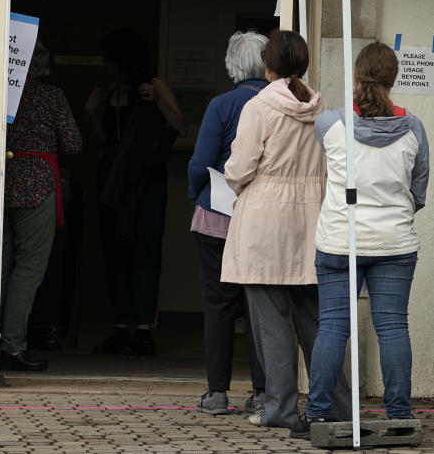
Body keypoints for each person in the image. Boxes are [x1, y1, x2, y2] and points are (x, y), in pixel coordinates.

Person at [292, 41, 429, 440]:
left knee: (333, 327)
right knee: (392, 327)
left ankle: (317, 414)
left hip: (340, 238)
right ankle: (400, 417)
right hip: (395, 242)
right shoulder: (414, 128)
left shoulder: (331, 124)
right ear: (394, 78)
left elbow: (319, 122)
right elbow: (418, 191)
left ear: (355, 76)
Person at [221, 29, 351, 430]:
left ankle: (280, 408)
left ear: (267, 66)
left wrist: (233, 178)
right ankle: (337, 405)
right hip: (312, 217)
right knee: (317, 319)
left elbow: (240, 168)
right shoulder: (322, 106)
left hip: (264, 218)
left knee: (269, 320)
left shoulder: (258, 106)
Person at [85, 28, 185, 356]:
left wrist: (158, 99)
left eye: (109, 59)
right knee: (117, 255)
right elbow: (107, 140)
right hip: (116, 182)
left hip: (145, 183)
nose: (105, 64)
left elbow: (179, 126)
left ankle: (142, 329)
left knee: (145, 254)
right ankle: (121, 327)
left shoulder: (155, 85)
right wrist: (90, 113)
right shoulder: (112, 91)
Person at [186, 30, 270, 416]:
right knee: (259, 306)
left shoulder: (222, 104)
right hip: (264, 219)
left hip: (217, 217)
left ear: (231, 65)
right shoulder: (277, 104)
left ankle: (217, 393)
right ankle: (263, 391)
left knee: (218, 306)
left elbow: (199, 161)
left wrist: (196, 194)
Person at [0, 42, 82, 373]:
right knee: (29, 268)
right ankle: (13, 347)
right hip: (37, 183)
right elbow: (74, 143)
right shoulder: (51, 96)